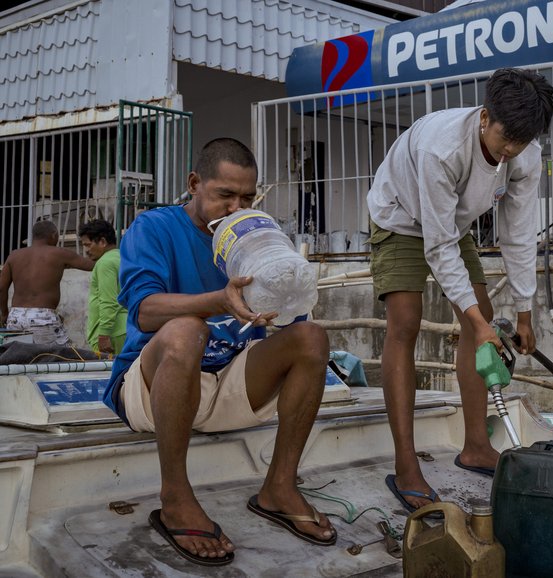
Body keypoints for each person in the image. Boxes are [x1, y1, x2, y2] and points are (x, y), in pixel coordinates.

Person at [104, 138, 335, 567]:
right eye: (224, 195)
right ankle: (175, 496)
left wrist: (287, 297)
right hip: (153, 386)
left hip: (226, 383)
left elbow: (291, 324)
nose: (236, 208)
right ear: (194, 184)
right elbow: (145, 310)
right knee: (185, 331)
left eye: (247, 197)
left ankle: (279, 487)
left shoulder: (257, 237)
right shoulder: (154, 227)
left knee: (312, 338)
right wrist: (218, 300)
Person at [366, 68, 553, 511]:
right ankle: (406, 464)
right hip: (399, 215)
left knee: (482, 318)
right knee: (405, 323)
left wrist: (524, 312)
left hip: (451, 223)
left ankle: (474, 446)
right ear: (485, 118)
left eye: (520, 144)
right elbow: (437, 246)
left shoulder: (525, 154)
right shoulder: (442, 147)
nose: (510, 152)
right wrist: (472, 318)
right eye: (505, 140)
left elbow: (519, 232)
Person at [0, 220, 94, 345]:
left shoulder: (14, 255)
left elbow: (1, 287)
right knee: (61, 358)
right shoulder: (60, 254)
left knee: (21, 359)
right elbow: (93, 266)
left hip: (16, 316)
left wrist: (4, 314)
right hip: (43, 317)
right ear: (54, 235)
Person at [78, 219, 127, 355]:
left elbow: (109, 301)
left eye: (88, 245)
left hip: (113, 334)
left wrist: (104, 334)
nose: (86, 251)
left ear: (102, 242)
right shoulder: (122, 257)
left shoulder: (105, 263)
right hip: (126, 328)